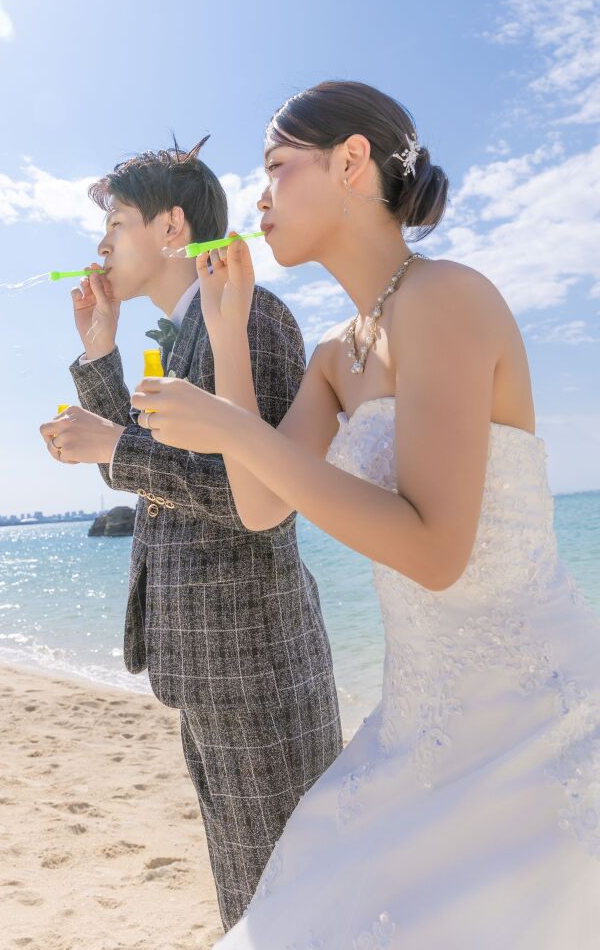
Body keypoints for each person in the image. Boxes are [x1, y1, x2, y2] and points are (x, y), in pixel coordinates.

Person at [130, 82, 600, 948]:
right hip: (420, 722)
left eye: (276, 167)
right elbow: (262, 504)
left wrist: (234, 425)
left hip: (535, 719)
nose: (260, 197)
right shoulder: (335, 357)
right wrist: (228, 334)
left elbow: (434, 551)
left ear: (350, 162)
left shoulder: (449, 298)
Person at [39, 137, 342, 929]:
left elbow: (263, 494)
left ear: (174, 228)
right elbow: (142, 475)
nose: (102, 243)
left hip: (257, 673)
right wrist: (100, 351)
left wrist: (112, 443)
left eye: (120, 221)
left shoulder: (254, 320)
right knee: (250, 906)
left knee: (285, 911)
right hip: (206, 670)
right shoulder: (180, 335)